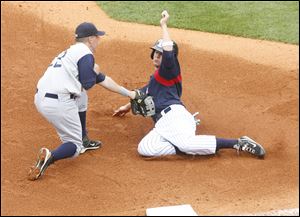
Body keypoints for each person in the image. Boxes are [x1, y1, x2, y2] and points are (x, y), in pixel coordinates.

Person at [113, 11, 266, 158]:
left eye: (160, 54)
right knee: (146, 148)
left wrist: (163, 25)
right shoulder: (156, 80)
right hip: (163, 125)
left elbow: (168, 51)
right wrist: (125, 108)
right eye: (156, 53)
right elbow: (142, 92)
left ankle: (238, 143)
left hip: (175, 117)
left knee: (186, 144)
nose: (157, 56)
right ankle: (185, 147)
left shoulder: (169, 70)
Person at [28, 22, 137, 181]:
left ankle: (84, 139)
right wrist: (95, 70)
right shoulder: (86, 54)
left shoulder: (71, 52)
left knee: (81, 96)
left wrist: (130, 94)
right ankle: (50, 156)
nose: (99, 40)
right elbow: (88, 83)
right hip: (58, 104)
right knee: (74, 146)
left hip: (41, 98)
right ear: (91, 39)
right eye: (98, 37)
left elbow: (103, 80)